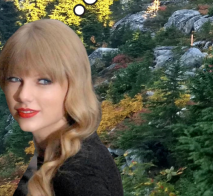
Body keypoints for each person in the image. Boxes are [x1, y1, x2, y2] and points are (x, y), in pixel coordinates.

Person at [0, 19, 124, 196]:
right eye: (14, 79)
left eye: (44, 81)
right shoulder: (56, 151)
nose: (23, 95)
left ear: (74, 85)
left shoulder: (77, 176)